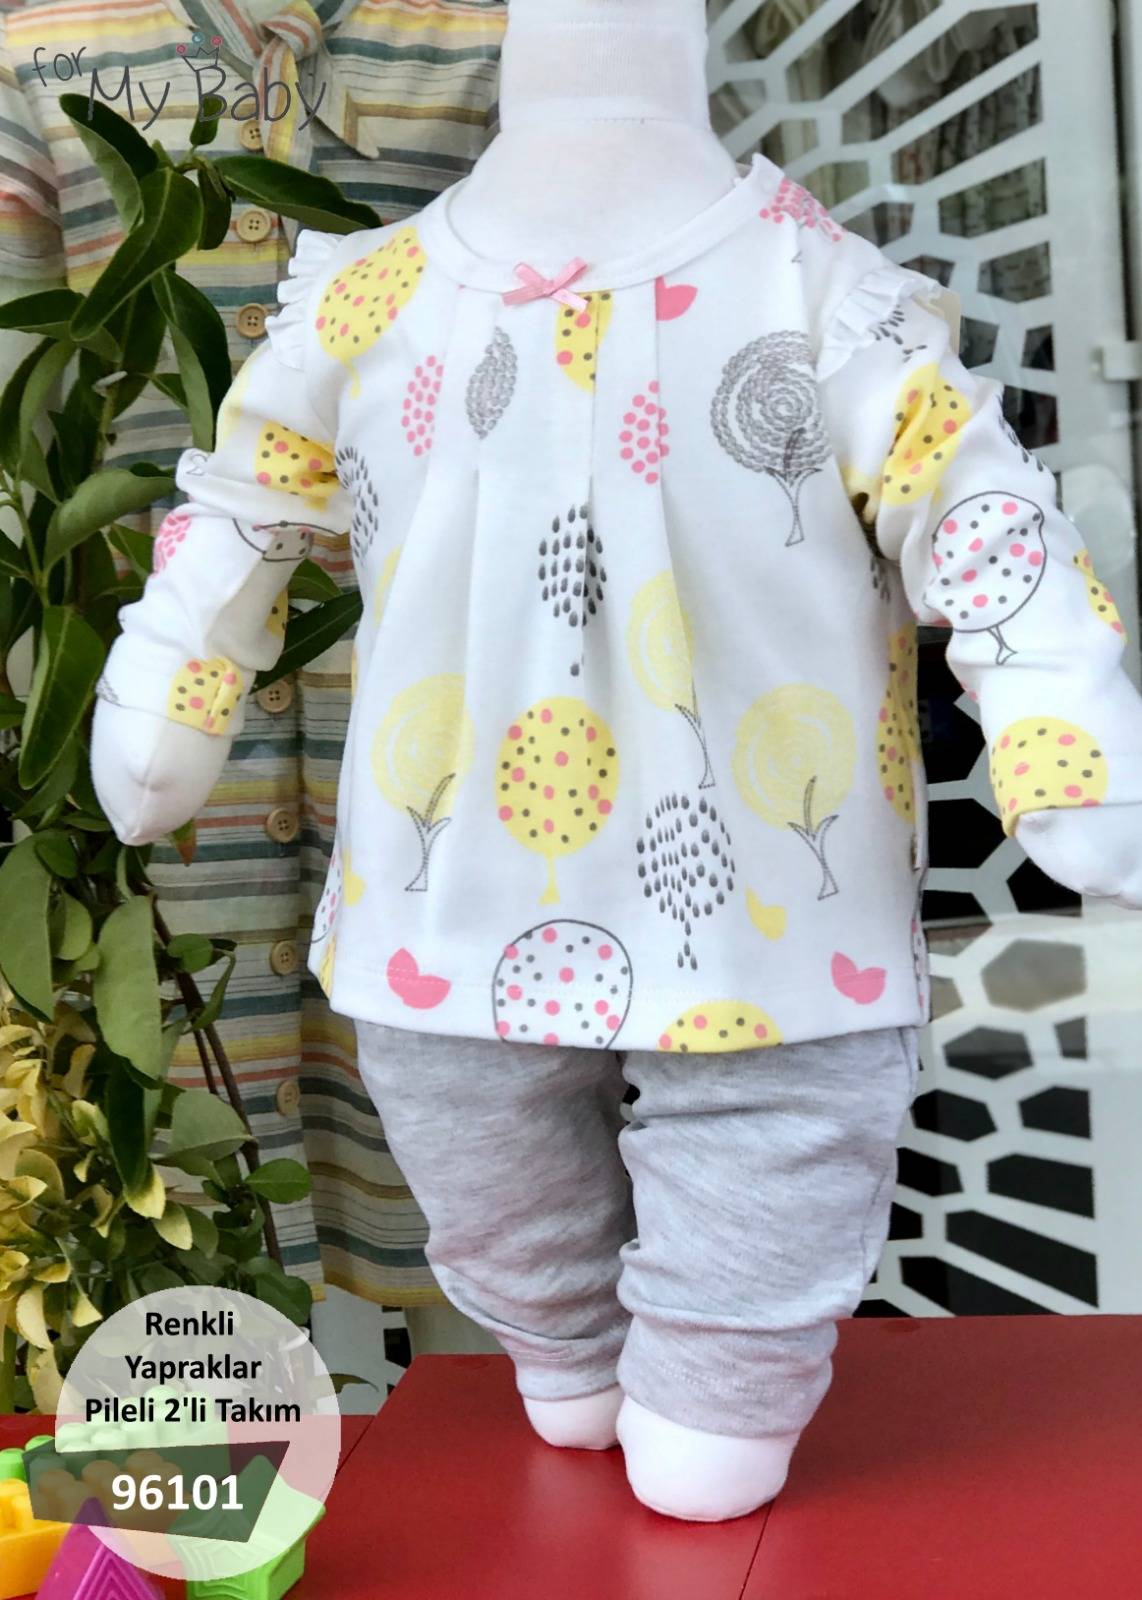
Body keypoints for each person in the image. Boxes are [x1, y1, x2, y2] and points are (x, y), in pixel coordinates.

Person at [90, 0, 1142, 1521]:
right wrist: (172, 679)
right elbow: (246, 505)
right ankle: (569, 1343)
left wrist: (1062, 727)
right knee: (488, 1165)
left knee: (767, 1174)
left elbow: (978, 516)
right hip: (454, 882)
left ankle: (714, 1377)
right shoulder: (370, 300)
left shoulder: (822, 295)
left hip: (769, 899)